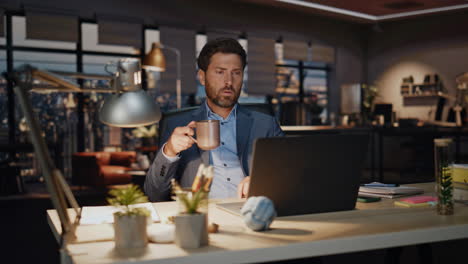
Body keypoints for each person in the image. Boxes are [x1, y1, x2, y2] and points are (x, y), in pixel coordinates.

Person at [144, 38, 284, 202]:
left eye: (236, 73)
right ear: (202, 77)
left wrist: (263, 182)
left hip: (251, 210)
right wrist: (169, 151)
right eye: (220, 72)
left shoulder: (265, 124)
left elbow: (290, 174)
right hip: (202, 216)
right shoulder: (177, 125)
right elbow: (153, 193)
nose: (229, 82)